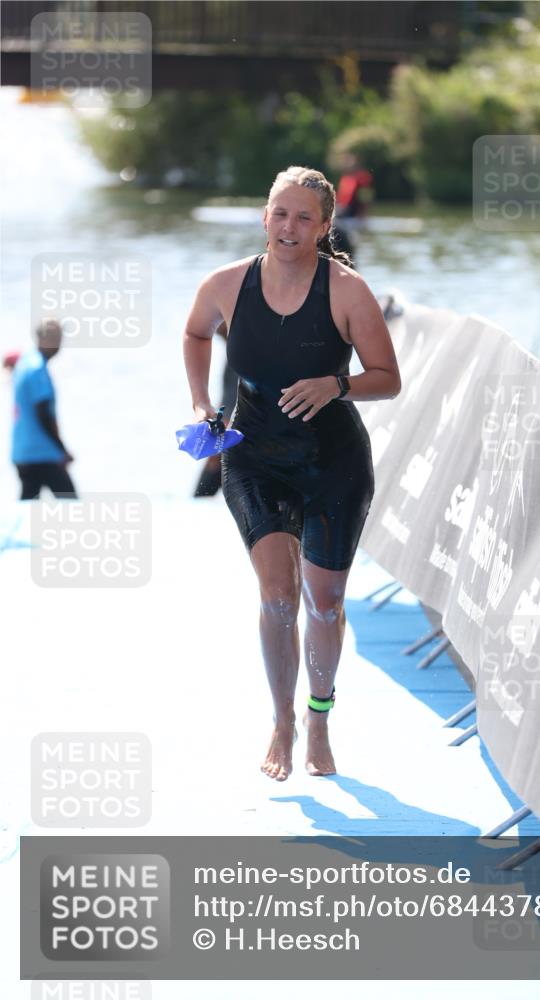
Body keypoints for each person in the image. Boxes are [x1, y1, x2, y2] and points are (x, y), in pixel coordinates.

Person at [183, 165, 400, 781]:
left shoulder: (347, 291)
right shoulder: (226, 284)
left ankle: (319, 716)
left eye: (305, 217)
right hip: (254, 457)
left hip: (333, 463)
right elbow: (195, 333)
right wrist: (201, 404)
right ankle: (283, 721)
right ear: (264, 217)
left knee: (324, 605)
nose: (289, 226)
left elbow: (388, 378)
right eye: (280, 213)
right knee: (278, 598)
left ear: (324, 226)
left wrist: (337, 384)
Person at [11, 319, 78, 500]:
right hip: (42, 453)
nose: (58, 344)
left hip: (23, 451)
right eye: (54, 338)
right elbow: (43, 415)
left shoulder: (25, 362)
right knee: (71, 505)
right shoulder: (37, 369)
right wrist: (62, 449)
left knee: (27, 506)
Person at [193, 322, 238, 498]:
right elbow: (229, 396)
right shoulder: (233, 353)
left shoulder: (241, 354)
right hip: (230, 421)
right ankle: (198, 503)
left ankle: (198, 502)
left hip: (240, 424)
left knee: (216, 459)